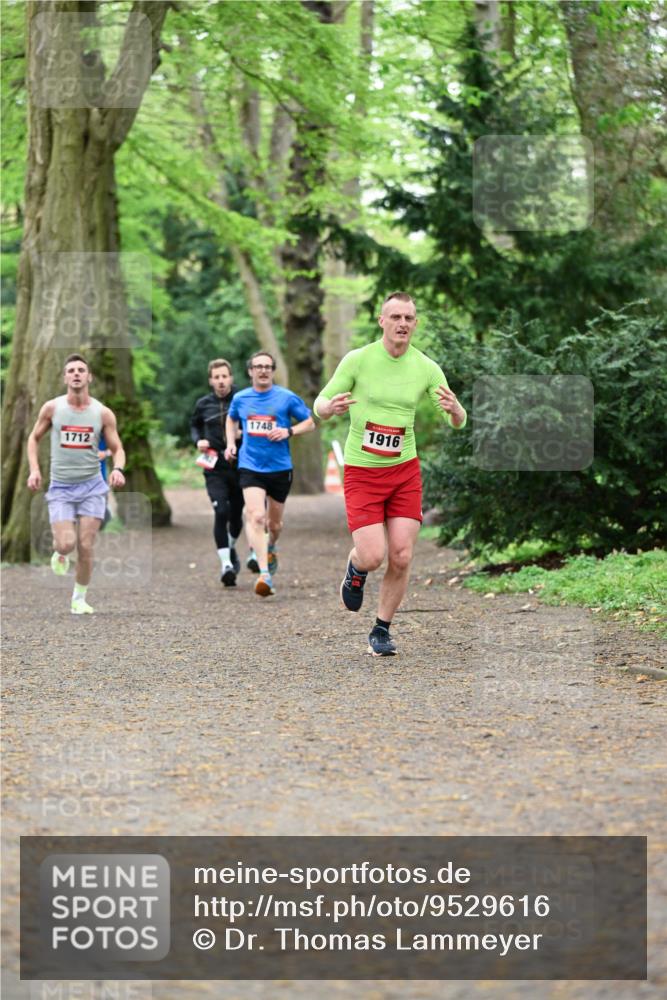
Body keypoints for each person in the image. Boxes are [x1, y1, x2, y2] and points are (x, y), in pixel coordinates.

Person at [313, 292, 466, 656]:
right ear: (382, 321)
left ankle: (381, 629)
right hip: (363, 472)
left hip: (404, 472)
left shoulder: (426, 367)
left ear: (415, 323)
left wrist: (457, 410)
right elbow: (320, 403)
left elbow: (456, 420)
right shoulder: (359, 360)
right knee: (372, 556)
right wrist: (329, 408)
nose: (402, 324)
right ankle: (355, 568)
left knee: (401, 555)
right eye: (395, 316)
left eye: (408, 318)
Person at [26, 353, 126, 614]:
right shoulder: (52, 408)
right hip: (61, 487)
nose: (76, 374)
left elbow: (117, 447)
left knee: (86, 545)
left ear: (89, 376)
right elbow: (33, 439)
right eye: (71, 370)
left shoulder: (102, 413)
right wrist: (34, 470)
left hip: (93, 486)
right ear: (64, 377)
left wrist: (118, 468)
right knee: (66, 544)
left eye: (81, 370)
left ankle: (79, 599)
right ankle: (59, 552)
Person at [224, 350, 315, 597]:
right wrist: (231, 444)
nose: (263, 370)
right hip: (250, 466)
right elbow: (231, 420)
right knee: (256, 516)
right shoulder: (241, 398)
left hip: (280, 467)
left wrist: (289, 432)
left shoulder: (286, 398)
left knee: (274, 524)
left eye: (267, 366)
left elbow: (310, 422)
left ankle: (271, 545)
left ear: (272, 371)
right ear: (250, 371)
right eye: (258, 366)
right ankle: (265, 575)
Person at [190, 358, 244, 587]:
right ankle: (226, 565)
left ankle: (230, 548)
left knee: (237, 515)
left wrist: (243, 433)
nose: (221, 381)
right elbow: (194, 425)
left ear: (231, 378)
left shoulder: (243, 399)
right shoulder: (203, 404)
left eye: (224, 376)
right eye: (216, 377)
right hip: (215, 466)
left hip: (242, 465)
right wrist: (198, 441)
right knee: (221, 510)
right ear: (211, 380)